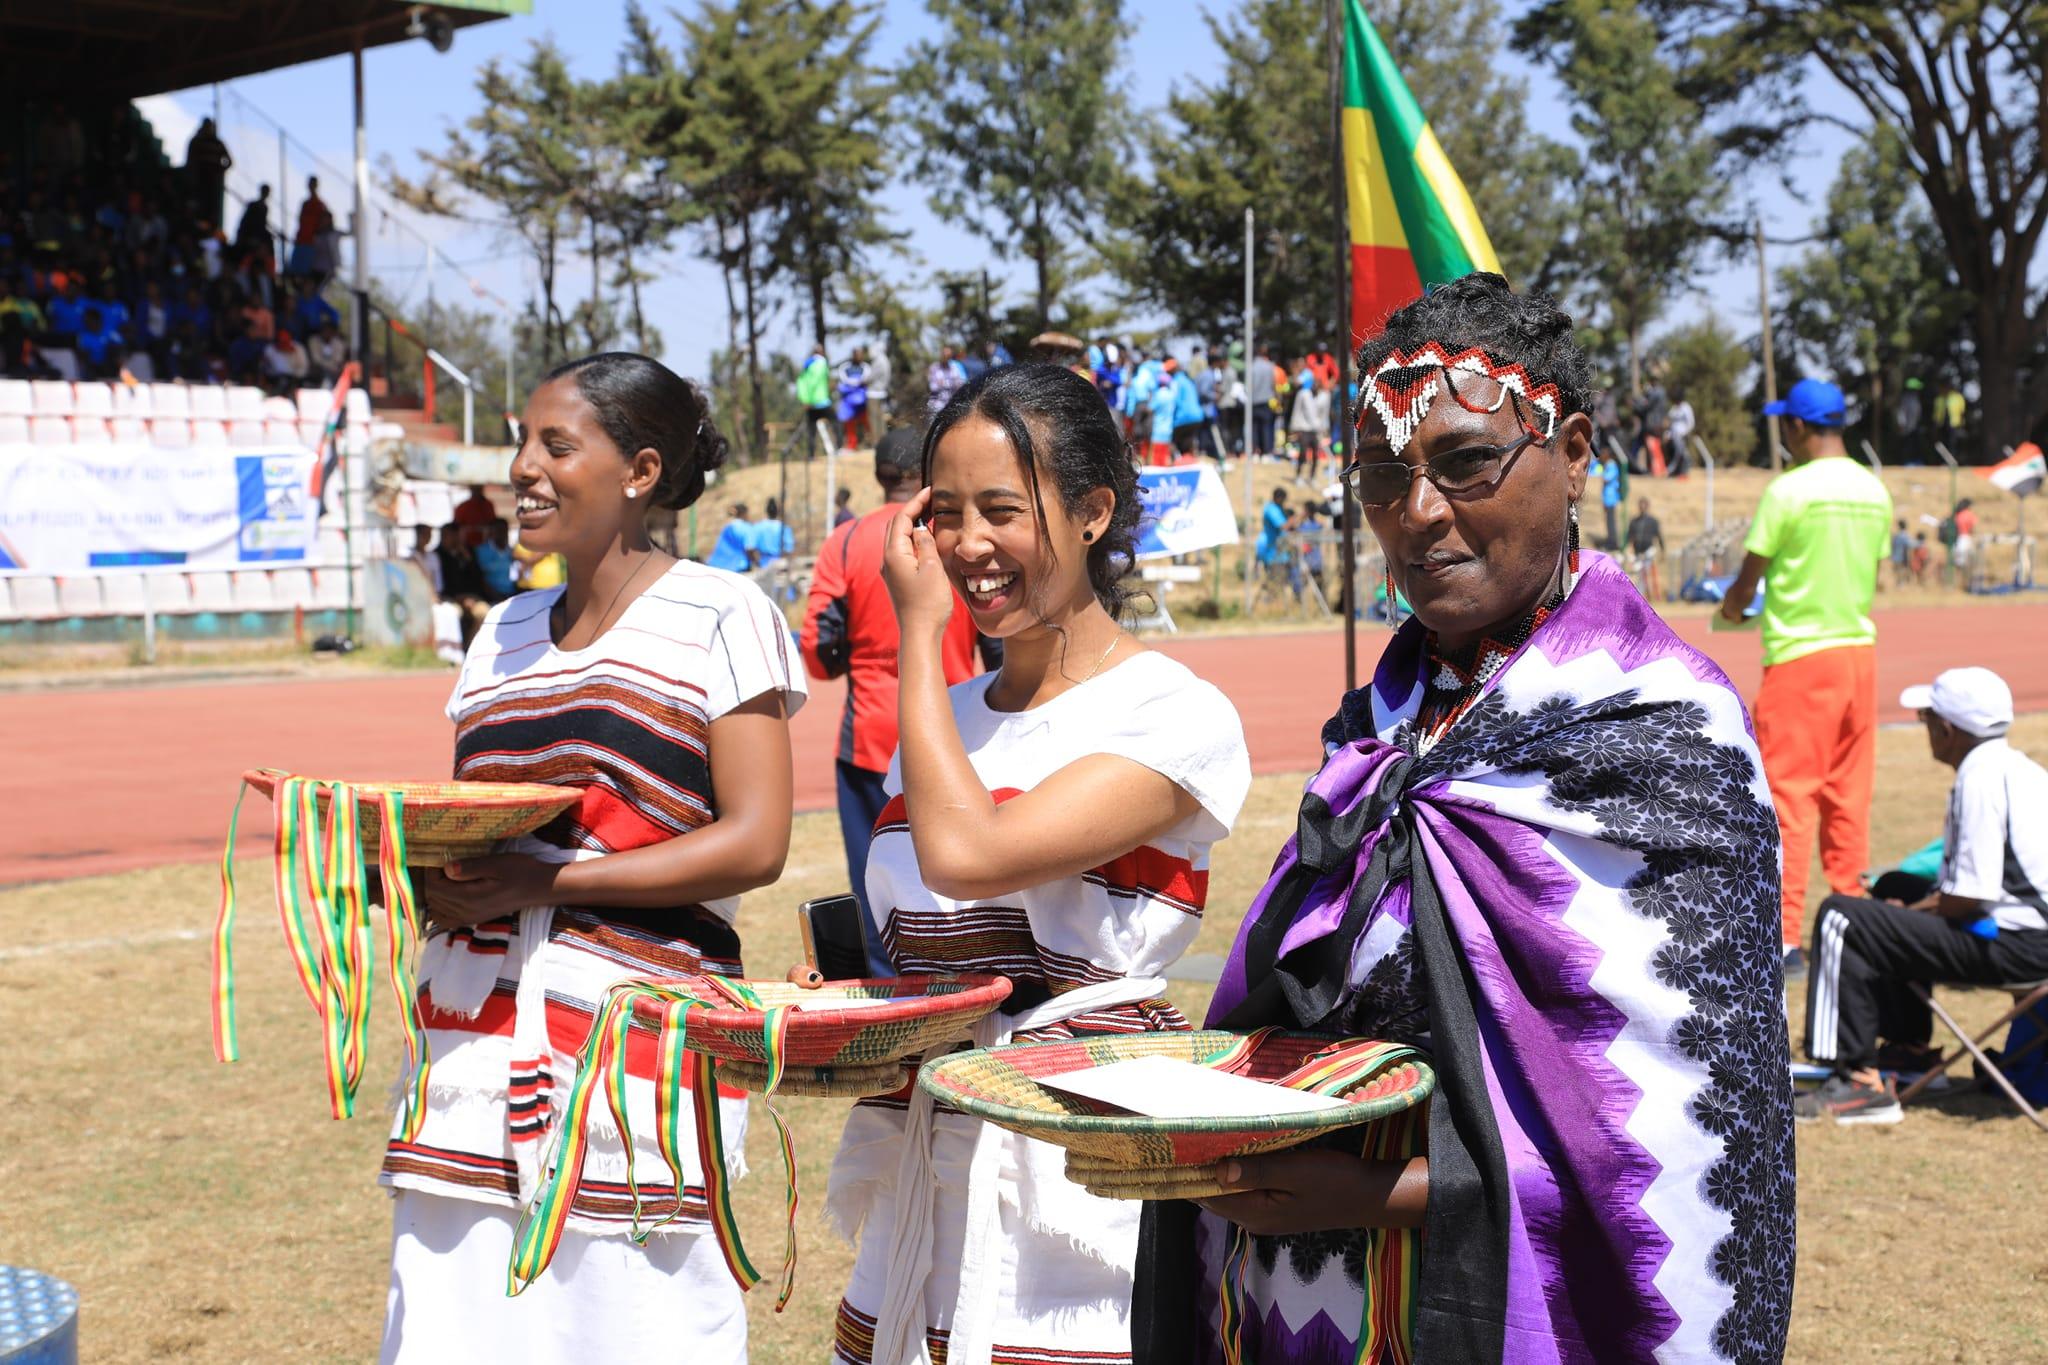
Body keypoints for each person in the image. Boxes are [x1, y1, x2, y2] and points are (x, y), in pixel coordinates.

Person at [1134, 271, 1794, 1364]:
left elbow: (1673, 1134)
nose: (1418, 511)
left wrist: (1380, 1191)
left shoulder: (1658, 734)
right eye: (1384, 476)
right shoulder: (1384, 721)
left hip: (1510, 1313)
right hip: (1310, 1302)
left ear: (1573, 452)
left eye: (1464, 462)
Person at [828, 365, 1252, 1365]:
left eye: (1002, 510)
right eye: (946, 512)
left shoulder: (1169, 710)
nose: (968, 545)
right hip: (929, 1150)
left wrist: (920, 631)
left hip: (1079, 1158)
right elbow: (935, 932)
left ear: (1093, 510)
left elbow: (968, 856)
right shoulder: (951, 720)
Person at [388, 351, 803, 1360]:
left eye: (555, 445)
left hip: (635, 1056)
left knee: (636, 1325)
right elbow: (480, 826)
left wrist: (551, 882)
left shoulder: (722, 612)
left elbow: (756, 841)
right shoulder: (501, 633)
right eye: (522, 442)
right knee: (458, 1325)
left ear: (640, 472)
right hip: (470, 1047)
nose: (522, 467)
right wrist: (413, 874)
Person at [1801, 667, 2048, 1124]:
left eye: (1926, 719)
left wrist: (1907, 915)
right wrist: (1906, 909)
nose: (1924, 728)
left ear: (1948, 729)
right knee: (1893, 887)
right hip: (2029, 934)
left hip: (2020, 949)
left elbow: (1968, 896)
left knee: (1842, 916)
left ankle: (1855, 1078)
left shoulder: (1980, 779)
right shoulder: (2019, 768)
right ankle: (1909, 1051)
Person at [1721, 377, 1893, 973]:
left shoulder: (1788, 490)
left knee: (1789, 801)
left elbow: (1749, 576)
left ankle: (1787, 935)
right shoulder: (1874, 490)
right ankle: (1855, 922)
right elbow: (1878, 570)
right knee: (1849, 797)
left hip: (1801, 659)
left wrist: (1734, 607)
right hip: (1858, 656)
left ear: (1797, 426)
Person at [799, 427, 982, 974]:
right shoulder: (951, 538)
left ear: (878, 477)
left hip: (871, 738)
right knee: (961, 888)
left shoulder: (848, 540)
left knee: (875, 886)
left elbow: (817, 651)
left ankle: (889, 1009)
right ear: (927, 478)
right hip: (957, 733)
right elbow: (999, 646)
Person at [1288, 369, 1328, 482]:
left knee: (1316, 455)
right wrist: (1295, 428)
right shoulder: (1303, 394)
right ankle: (1299, 475)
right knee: (1303, 452)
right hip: (1304, 428)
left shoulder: (1324, 397)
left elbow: (1324, 415)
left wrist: (1324, 429)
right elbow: (1297, 411)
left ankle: (1312, 477)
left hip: (1316, 429)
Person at [1627, 494, 1666, 600]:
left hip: (1648, 552)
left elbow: (1659, 537)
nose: (1642, 507)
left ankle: (1649, 597)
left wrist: (1663, 551)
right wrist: (1627, 551)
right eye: (1641, 505)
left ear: (1647, 506)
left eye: (1644, 505)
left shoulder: (1653, 522)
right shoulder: (1634, 522)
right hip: (1637, 553)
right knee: (1639, 575)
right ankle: (1640, 597)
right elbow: (1629, 537)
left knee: (1646, 574)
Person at [798, 343, 835, 453]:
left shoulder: (806, 365)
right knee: (835, 422)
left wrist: (805, 400)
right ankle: (839, 447)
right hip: (822, 401)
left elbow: (801, 382)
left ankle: (811, 454)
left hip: (810, 403)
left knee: (811, 430)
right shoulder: (821, 362)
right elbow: (817, 381)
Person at [474, 518, 518, 602]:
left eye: (503, 530)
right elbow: (480, 578)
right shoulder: (481, 551)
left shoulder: (512, 551)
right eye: (498, 530)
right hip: (491, 598)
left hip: (512, 596)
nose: (501, 533)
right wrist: (497, 598)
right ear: (491, 532)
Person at [706, 502, 756, 573]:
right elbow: (749, 549)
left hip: (716, 566)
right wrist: (756, 562)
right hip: (737, 568)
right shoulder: (747, 528)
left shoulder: (728, 527)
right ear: (744, 514)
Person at [837, 347, 871, 451]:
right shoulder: (845, 367)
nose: (858, 356)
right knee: (850, 423)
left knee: (867, 422)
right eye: (857, 354)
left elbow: (866, 378)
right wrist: (852, 383)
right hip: (849, 401)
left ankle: (871, 442)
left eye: (860, 354)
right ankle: (852, 444)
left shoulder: (865, 367)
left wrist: (858, 382)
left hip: (862, 400)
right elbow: (843, 378)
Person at [1246, 345, 1277, 458]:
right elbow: (1273, 384)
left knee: (1254, 428)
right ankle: (1267, 452)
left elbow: (1248, 387)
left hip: (1254, 402)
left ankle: (1255, 451)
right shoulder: (1270, 366)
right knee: (1266, 427)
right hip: (1266, 401)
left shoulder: (1251, 367)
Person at [753, 497, 793, 568]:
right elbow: (788, 549)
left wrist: (756, 562)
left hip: (763, 563)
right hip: (779, 564)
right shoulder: (783, 527)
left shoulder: (758, 527)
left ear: (767, 511)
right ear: (778, 512)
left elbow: (751, 548)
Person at [926, 344, 965, 415]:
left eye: (948, 355)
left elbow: (960, 383)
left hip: (951, 404)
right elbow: (933, 387)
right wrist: (950, 383)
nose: (946, 357)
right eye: (944, 354)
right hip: (937, 406)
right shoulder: (934, 368)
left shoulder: (954, 367)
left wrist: (943, 383)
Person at [1600, 444, 1626, 548]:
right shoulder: (1607, 465)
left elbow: (1607, 478)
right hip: (1607, 498)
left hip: (1611, 498)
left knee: (1611, 521)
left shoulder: (1611, 465)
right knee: (1608, 521)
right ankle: (1610, 539)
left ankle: (1613, 542)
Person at [1889, 517, 1913, 590]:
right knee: (1902, 571)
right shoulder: (1905, 536)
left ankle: (1899, 584)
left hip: (1896, 556)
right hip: (1902, 557)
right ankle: (1901, 585)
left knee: (1898, 571)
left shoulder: (1896, 536)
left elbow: (1892, 545)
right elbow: (1909, 545)